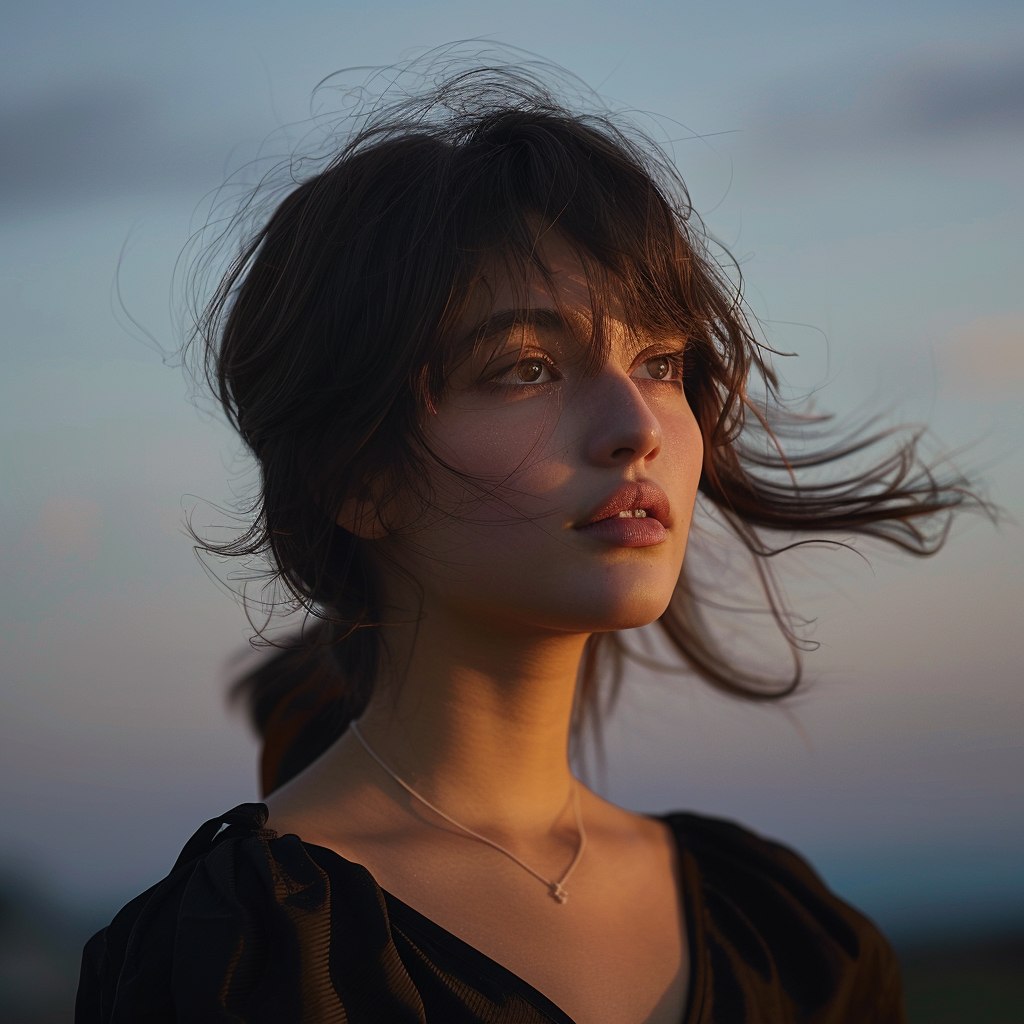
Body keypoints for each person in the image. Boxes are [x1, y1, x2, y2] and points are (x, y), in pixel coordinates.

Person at [75, 56, 979, 1023]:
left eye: (661, 359)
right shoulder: (244, 958)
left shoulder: (784, 935)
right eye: (528, 367)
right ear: (356, 480)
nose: (636, 424)